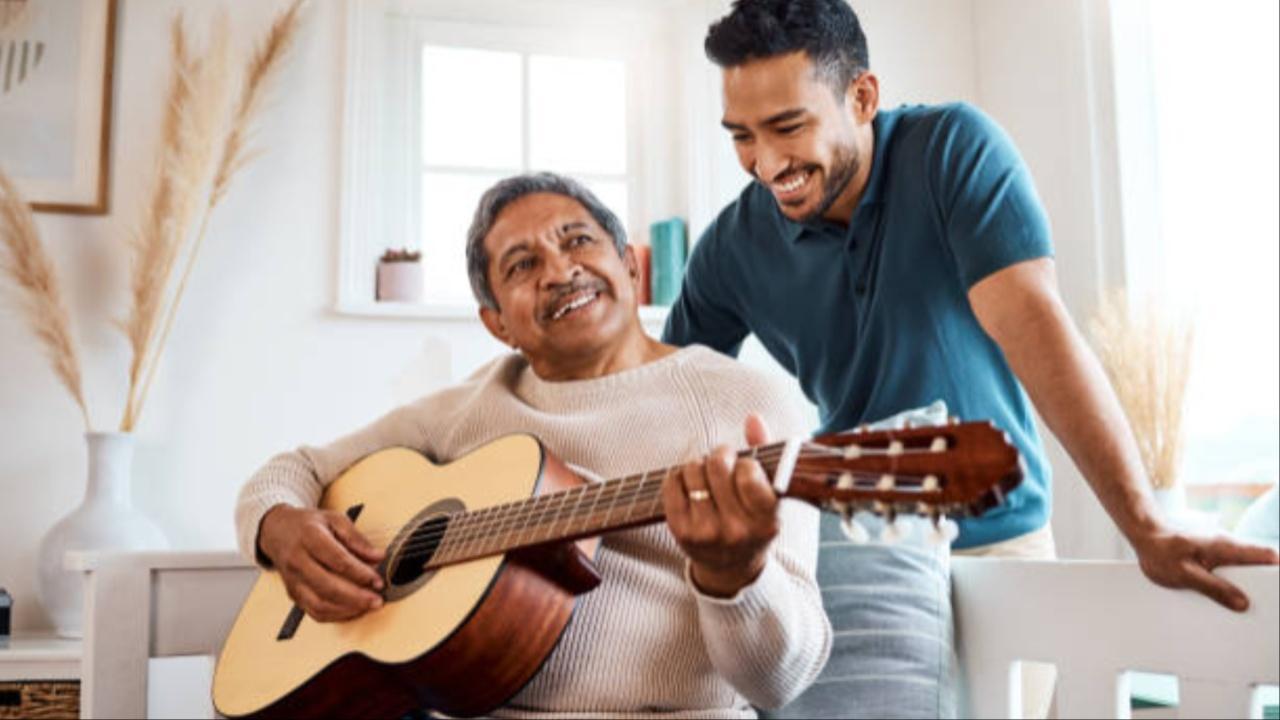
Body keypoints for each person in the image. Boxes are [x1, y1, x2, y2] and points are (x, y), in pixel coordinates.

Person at [664, 0, 1280, 716]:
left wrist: (1143, 524)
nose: (765, 163)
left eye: (788, 127)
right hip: (852, 556)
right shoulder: (731, 247)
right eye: (741, 135)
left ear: (862, 97)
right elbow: (662, 388)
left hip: (996, 545)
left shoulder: (952, 149)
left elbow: (1032, 323)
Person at [235, 173, 832, 718]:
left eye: (578, 242)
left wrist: (738, 573)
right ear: (497, 323)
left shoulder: (748, 406)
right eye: (521, 265)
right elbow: (293, 470)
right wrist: (278, 527)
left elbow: (781, 682)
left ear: (628, 264)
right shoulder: (467, 410)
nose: (558, 270)